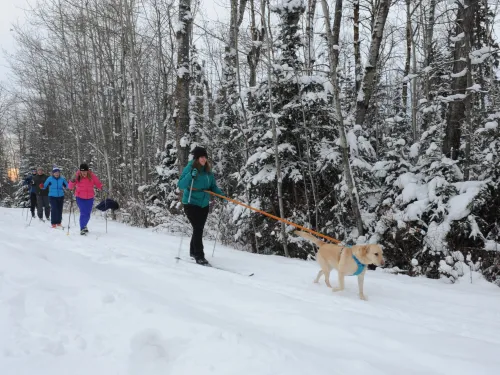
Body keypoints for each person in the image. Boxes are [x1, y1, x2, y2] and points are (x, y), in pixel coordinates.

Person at [177, 146, 223, 265]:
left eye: (205, 157)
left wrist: (221, 195)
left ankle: (193, 251)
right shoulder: (190, 168)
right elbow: (181, 185)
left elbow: (213, 186)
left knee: (198, 229)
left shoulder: (208, 171)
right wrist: (190, 176)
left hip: (203, 204)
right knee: (198, 228)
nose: (203, 159)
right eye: (201, 157)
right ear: (197, 158)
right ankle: (199, 255)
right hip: (191, 203)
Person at [68, 163, 103, 235]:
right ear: (80, 171)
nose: (84, 173)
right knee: (83, 213)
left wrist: (101, 187)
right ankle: (82, 228)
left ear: (87, 171)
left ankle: (85, 225)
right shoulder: (77, 176)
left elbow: (97, 183)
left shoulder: (92, 176)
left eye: (85, 171)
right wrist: (72, 180)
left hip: (90, 197)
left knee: (88, 214)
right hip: (80, 197)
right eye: (82, 171)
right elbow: (70, 187)